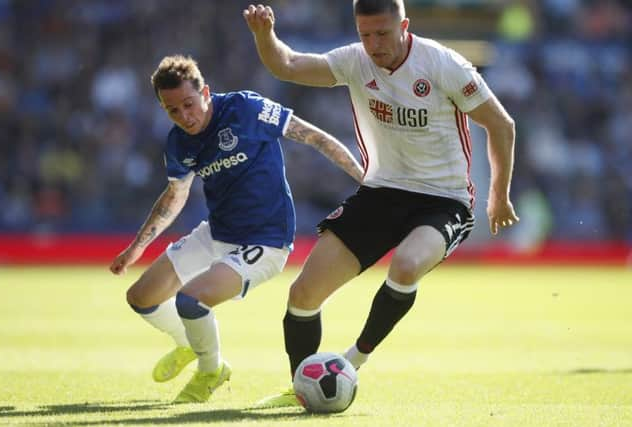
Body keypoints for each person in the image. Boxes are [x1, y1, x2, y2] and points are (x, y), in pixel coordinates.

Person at [244, 0, 519, 408]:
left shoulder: (444, 64)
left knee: (406, 265)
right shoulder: (355, 61)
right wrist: (264, 36)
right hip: (382, 192)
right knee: (303, 294)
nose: (373, 44)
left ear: (404, 26)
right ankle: (303, 389)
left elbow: (501, 124)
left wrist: (499, 195)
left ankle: (353, 361)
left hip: (444, 200)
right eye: (365, 34)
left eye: (382, 34)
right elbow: (287, 65)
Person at [109, 54, 363, 404]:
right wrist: (136, 248)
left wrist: (365, 178)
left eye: (188, 104)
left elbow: (313, 137)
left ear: (206, 93)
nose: (185, 116)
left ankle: (211, 369)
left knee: (190, 299)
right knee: (140, 297)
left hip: (266, 242)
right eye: (173, 111)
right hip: (216, 233)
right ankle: (189, 343)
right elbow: (174, 195)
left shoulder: (247, 109)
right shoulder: (179, 142)